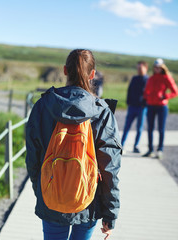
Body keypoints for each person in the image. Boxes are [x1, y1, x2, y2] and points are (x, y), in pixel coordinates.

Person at [26, 49, 121, 240]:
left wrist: (41, 190)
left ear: (65, 71)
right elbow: (110, 167)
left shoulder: (43, 106)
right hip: (89, 200)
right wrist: (110, 214)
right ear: (92, 74)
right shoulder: (101, 112)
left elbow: (33, 157)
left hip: (51, 195)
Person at [142, 58, 178, 159]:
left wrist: (165, 96)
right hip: (150, 105)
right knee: (150, 128)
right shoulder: (151, 78)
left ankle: (160, 150)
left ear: (162, 67)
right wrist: (147, 97)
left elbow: (175, 92)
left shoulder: (166, 78)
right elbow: (146, 91)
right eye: (155, 67)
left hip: (162, 106)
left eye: (158, 67)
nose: (156, 69)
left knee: (161, 129)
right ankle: (150, 150)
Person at [121, 61, 149, 153]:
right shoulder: (134, 78)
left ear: (146, 68)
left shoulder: (148, 79)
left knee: (139, 128)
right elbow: (129, 90)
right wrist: (128, 102)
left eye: (140, 68)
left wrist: (145, 104)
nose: (139, 70)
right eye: (138, 68)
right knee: (127, 127)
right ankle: (122, 145)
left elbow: (149, 93)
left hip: (142, 107)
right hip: (132, 106)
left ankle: (136, 146)